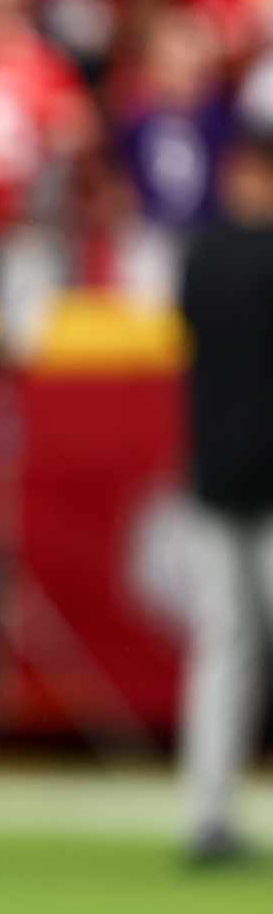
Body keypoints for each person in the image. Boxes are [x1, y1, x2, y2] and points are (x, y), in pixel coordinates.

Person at [176, 113, 273, 866]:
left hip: (215, 476)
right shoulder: (215, 253)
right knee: (225, 652)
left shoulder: (202, 255)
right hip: (249, 480)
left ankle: (207, 815)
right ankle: (208, 815)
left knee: (222, 653)